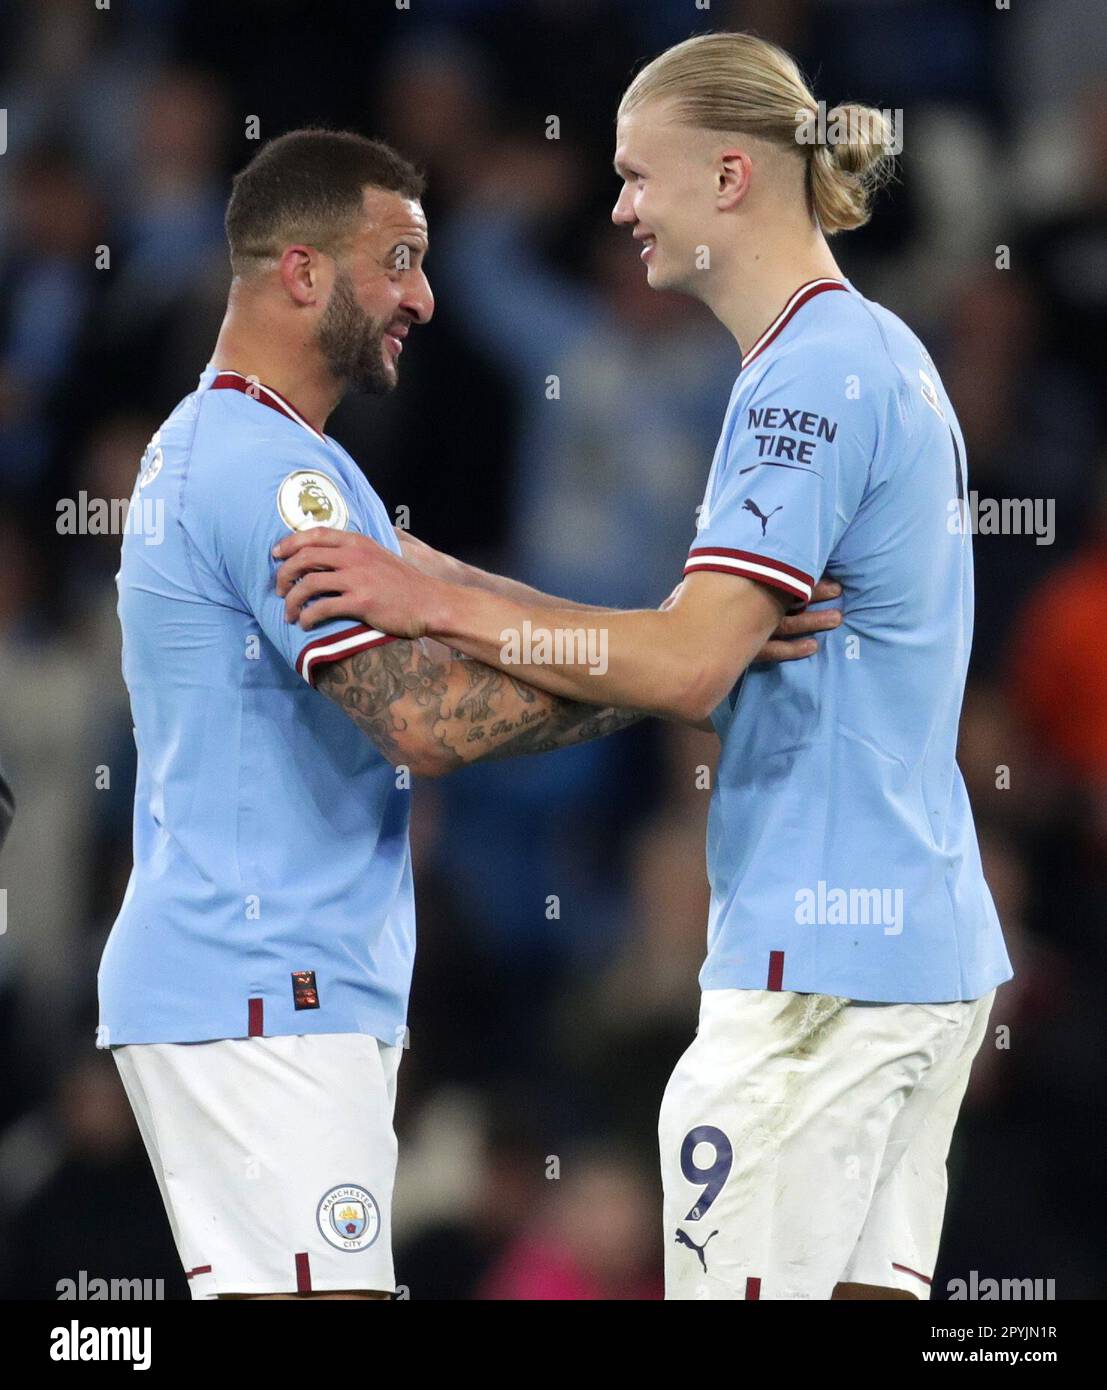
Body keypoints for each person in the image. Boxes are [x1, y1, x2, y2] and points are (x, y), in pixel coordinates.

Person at [274, 34, 1013, 1301]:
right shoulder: (874, 353)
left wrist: (435, 603)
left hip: (813, 977)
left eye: (634, 176)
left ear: (730, 175)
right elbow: (690, 629)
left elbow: (682, 662)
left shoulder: (809, 379)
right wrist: (461, 586)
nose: (615, 207)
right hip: (910, 953)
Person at [98, 125, 834, 1302]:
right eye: (398, 260)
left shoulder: (264, 454)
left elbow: (464, 602)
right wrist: (674, 677)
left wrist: (674, 640)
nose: (426, 298)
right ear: (304, 273)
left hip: (268, 987)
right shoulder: (266, 472)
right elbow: (426, 721)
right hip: (260, 987)